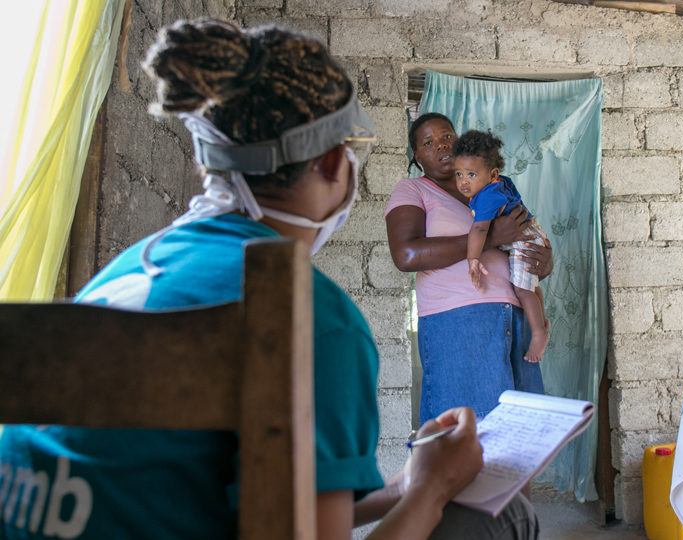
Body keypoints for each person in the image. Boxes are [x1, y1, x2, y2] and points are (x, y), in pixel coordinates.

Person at [0, 20, 537, 540]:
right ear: (333, 164)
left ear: (210, 163)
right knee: (503, 516)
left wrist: (407, 486)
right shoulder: (308, 317)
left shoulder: (130, 268)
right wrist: (436, 483)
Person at [385, 113, 554, 423]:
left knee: (521, 432)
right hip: (459, 322)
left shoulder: (490, 188)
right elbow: (406, 255)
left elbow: (521, 239)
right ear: (417, 157)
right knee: (470, 433)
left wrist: (543, 261)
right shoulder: (413, 190)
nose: (441, 145)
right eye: (428, 142)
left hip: (515, 318)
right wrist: (491, 238)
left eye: (447, 136)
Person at [453, 130, 550, 362]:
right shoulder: (499, 184)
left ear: (493, 173)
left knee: (522, 290)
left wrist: (473, 259)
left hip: (523, 240)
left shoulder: (487, 196)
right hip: (529, 233)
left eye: (471, 174)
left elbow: (479, 230)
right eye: (459, 174)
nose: (463, 181)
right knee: (531, 288)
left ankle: (538, 333)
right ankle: (542, 322)